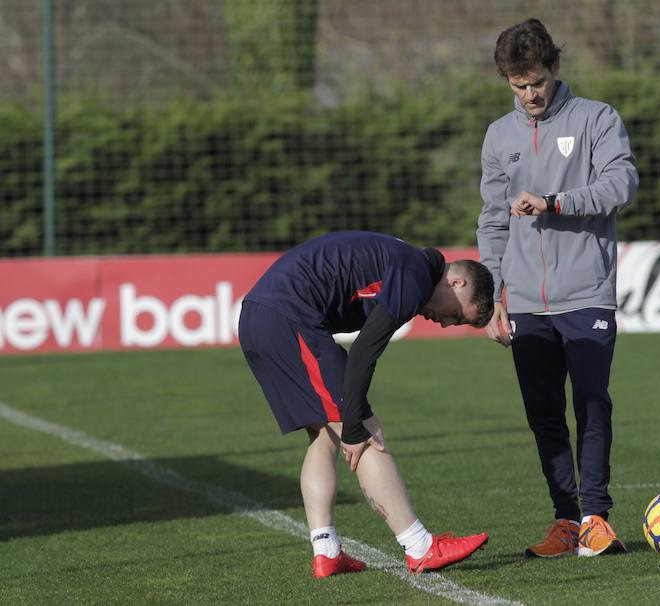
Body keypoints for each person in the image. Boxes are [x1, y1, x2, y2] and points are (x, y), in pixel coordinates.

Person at [238, 231, 494, 578]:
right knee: (366, 432)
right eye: (458, 316)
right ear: (456, 282)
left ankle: (326, 551)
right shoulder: (417, 274)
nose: (447, 323)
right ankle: (420, 547)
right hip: (286, 316)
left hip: (261, 315)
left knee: (324, 434)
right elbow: (363, 352)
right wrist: (356, 423)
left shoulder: (410, 265)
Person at [477, 18, 639, 559]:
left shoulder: (597, 118)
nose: (529, 95)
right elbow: (493, 219)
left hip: (587, 292)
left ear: (555, 69)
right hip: (524, 302)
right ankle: (566, 521)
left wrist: (555, 200)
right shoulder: (499, 136)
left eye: (537, 83)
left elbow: (622, 183)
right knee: (543, 412)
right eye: (517, 85)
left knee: (592, 404)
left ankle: (596, 518)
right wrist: (492, 297)